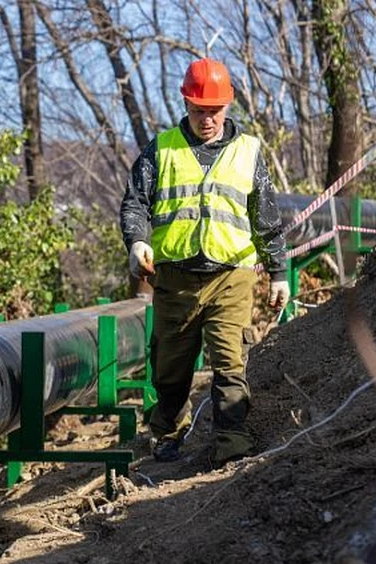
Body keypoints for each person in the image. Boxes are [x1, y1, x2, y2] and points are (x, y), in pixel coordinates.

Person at [119, 57, 289, 465]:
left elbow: (265, 216)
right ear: (186, 105)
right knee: (170, 368)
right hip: (174, 278)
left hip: (232, 276)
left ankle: (231, 440)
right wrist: (137, 242)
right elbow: (135, 204)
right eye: (198, 111)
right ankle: (168, 431)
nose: (206, 119)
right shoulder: (161, 150)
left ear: (228, 106)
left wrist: (279, 272)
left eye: (214, 111)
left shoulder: (248, 152)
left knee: (229, 360)